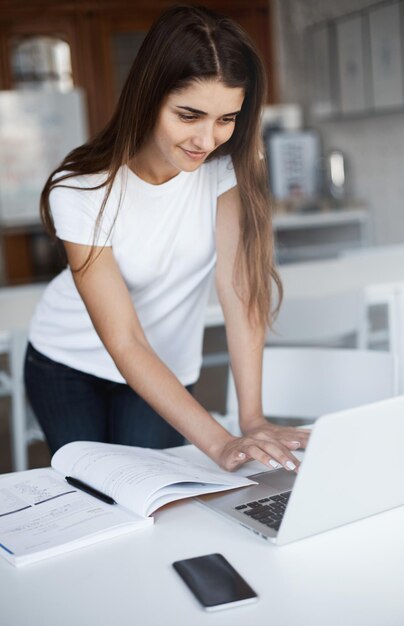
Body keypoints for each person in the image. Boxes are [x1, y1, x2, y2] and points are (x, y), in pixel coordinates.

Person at [24, 4, 309, 472]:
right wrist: (219, 444)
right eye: (189, 115)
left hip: (169, 368)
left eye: (226, 118)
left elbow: (240, 291)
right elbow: (126, 339)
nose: (207, 138)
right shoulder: (82, 188)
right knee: (94, 495)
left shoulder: (225, 166)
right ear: (148, 96)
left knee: (154, 496)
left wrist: (251, 417)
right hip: (67, 363)